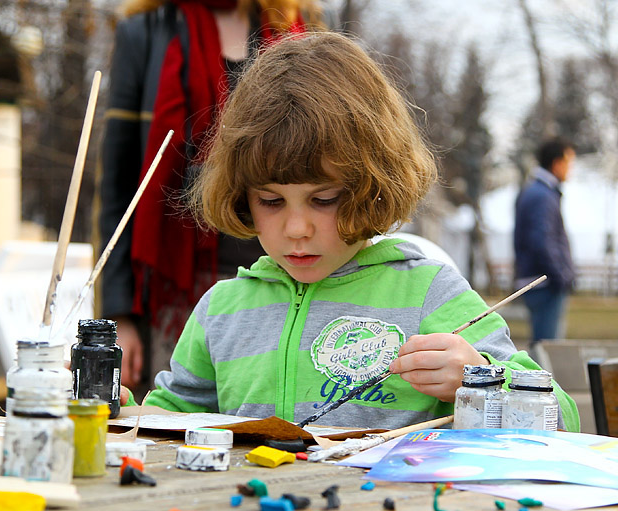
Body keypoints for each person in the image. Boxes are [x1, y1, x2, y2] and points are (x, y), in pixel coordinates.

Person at [141, 32, 579, 431]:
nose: (296, 228)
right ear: (241, 193)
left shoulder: (430, 294)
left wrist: (480, 378)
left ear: (373, 185)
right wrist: (120, 415)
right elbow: (170, 421)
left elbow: (564, 421)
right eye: (271, 201)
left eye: (324, 199)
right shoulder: (221, 310)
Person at [96, 0, 329, 402]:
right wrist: (118, 316)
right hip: (175, 283)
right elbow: (119, 183)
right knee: (176, 427)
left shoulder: (300, 25)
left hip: (287, 271)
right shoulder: (145, 31)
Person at [513, 138, 576, 346]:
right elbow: (542, 241)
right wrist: (561, 276)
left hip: (539, 280)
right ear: (557, 163)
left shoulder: (537, 191)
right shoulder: (542, 195)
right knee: (547, 350)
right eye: (569, 163)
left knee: (543, 347)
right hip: (544, 283)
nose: (570, 170)